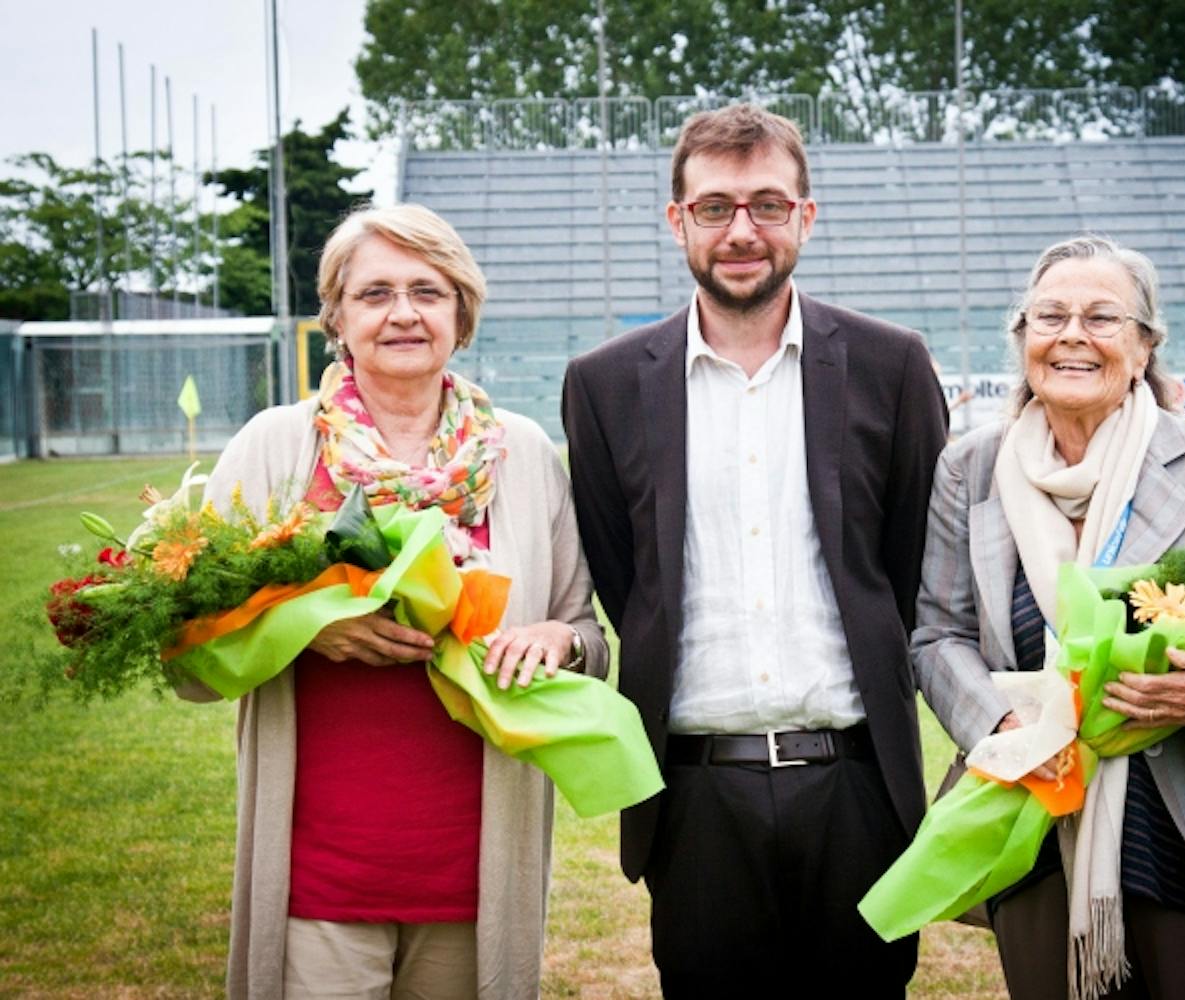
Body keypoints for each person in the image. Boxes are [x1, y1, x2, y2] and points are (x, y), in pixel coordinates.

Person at [561, 103, 949, 996]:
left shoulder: (893, 366)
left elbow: (910, 563)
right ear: (678, 221)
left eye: (768, 205)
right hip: (695, 798)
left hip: (856, 784)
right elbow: (631, 585)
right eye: (715, 207)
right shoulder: (605, 384)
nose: (743, 231)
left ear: (805, 217)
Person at [181, 203, 608, 1000]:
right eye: (375, 294)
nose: (403, 313)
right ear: (337, 317)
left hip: (474, 865)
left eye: (428, 291)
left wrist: (559, 640)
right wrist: (306, 630)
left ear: (461, 313)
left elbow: (588, 634)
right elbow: (192, 647)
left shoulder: (523, 457)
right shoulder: (275, 448)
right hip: (319, 870)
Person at [912, 234, 1185, 1000]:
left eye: (1103, 318)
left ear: (1143, 348)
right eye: (1051, 316)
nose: (1073, 335)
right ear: (1024, 340)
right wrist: (1004, 732)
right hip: (1042, 821)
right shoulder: (970, 468)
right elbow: (938, 633)